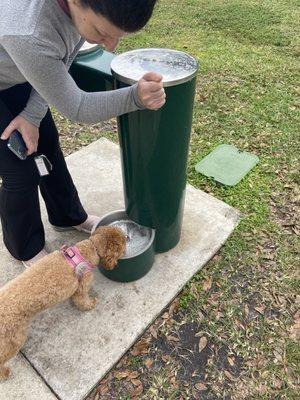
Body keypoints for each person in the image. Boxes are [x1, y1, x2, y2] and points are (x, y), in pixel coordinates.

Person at [0, 0, 166, 267]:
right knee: (19, 168)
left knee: (47, 145)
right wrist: (135, 97)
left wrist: (32, 116)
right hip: (14, 55)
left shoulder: (76, 14)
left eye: (118, 37)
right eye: (102, 33)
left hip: (17, 67)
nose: (110, 46)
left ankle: (67, 216)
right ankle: (26, 249)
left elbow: (61, 60)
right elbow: (78, 107)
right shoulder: (27, 31)